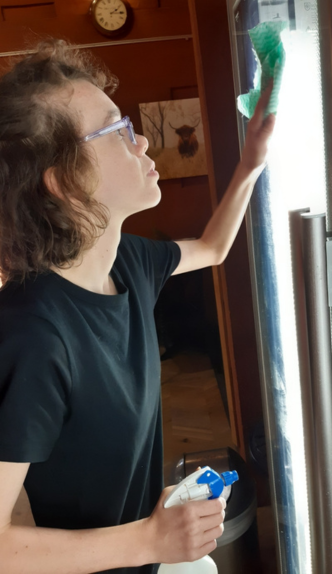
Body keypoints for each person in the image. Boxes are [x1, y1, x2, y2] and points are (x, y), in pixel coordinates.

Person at [0, 39, 275, 574]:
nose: (142, 139)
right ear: (64, 182)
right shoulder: (31, 334)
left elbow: (214, 248)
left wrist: (250, 164)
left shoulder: (127, 262)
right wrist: (150, 541)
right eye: (116, 130)